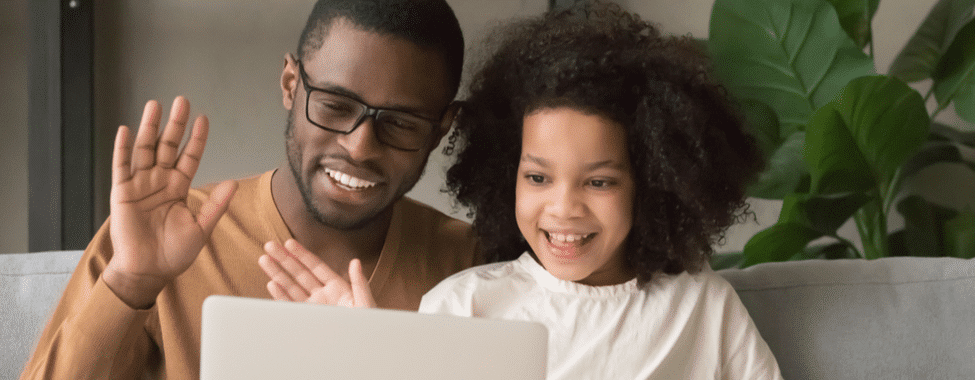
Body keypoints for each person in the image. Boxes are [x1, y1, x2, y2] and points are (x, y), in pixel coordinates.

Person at [263, 2, 784, 379]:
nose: (563, 208)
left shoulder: (702, 307)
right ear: (505, 172)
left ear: (653, 182)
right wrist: (373, 357)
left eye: (599, 181)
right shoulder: (465, 305)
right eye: (537, 177)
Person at [20, 0, 477, 378]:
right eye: (335, 106)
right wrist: (130, 283)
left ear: (441, 128)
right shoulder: (153, 237)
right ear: (290, 84)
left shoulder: (472, 265)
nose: (359, 147)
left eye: (399, 123)